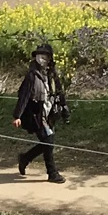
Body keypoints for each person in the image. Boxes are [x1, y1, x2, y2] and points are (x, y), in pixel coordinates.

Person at [12, 42, 67, 183]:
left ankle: (25, 158)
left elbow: (59, 91)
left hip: (49, 112)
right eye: (38, 55)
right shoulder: (31, 76)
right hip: (36, 113)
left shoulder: (52, 74)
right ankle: (52, 173)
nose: (41, 58)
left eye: (44, 56)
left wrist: (64, 106)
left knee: (48, 141)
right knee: (48, 140)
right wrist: (17, 116)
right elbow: (23, 96)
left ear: (50, 58)